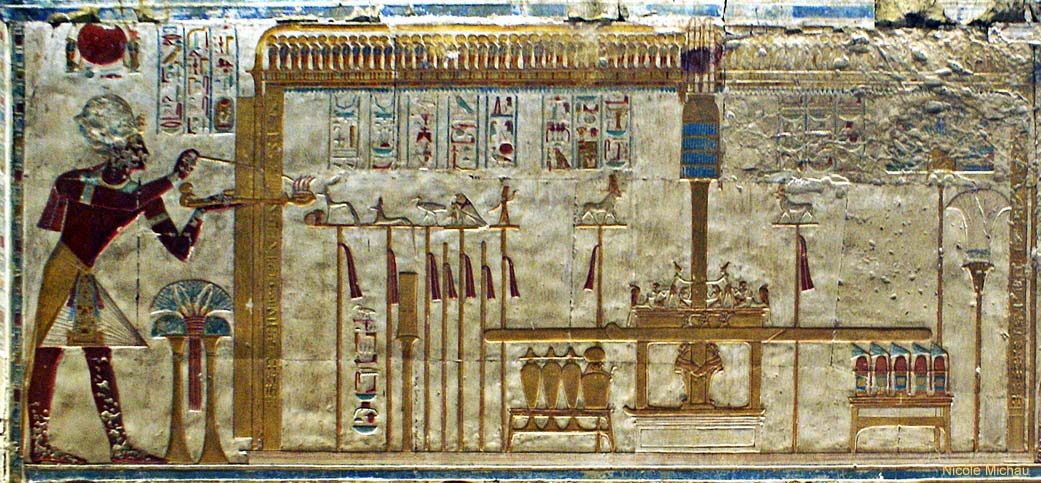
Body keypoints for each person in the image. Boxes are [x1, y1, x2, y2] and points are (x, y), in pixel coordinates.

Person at [27, 94, 215, 464]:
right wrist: (174, 178)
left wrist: (201, 213)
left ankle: (119, 445)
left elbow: (179, 248)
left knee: (99, 356)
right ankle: (40, 445)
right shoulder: (73, 181)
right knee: (48, 354)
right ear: (115, 150)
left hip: (83, 274)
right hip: (63, 268)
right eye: (135, 148)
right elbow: (123, 203)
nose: (142, 156)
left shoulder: (142, 195)